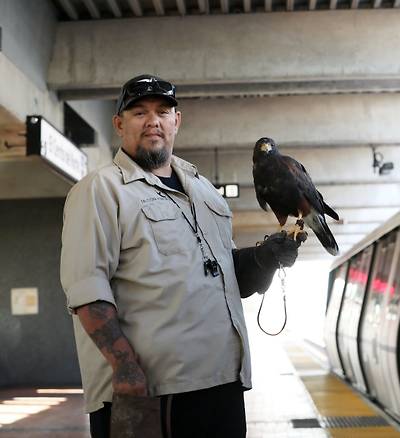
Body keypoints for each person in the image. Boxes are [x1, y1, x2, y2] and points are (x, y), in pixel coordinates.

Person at [60, 74, 301, 437]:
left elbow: (225, 276)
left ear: (177, 121)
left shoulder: (205, 192)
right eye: (139, 112)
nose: (153, 121)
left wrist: (265, 257)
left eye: (162, 111)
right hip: (153, 393)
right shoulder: (100, 190)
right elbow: (87, 290)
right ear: (119, 124)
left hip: (223, 384)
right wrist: (126, 371)